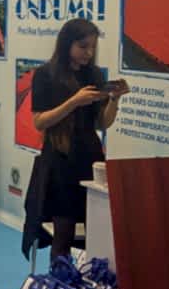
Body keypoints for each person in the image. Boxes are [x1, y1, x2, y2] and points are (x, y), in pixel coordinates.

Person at [27, 18, 128, 263]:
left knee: (97, 231)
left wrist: (115, 99)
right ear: (67, 44)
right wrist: (74, 102)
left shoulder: (93, 74)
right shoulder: (45, 75)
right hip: (60, 160)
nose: (89, 53)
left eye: (92, 47)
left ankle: (91, 282)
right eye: (83, 46)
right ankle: (60, 280)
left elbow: (102, 123)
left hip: (89, 157)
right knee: (63, 234)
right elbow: (40, 122)